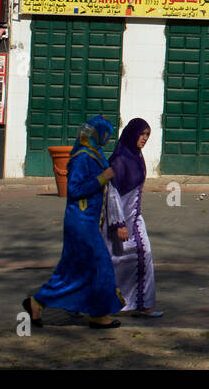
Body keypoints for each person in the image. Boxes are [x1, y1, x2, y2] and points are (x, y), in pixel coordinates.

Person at [23, 116, 124, 329]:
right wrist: (102, 178)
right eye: (106, 133)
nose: (108, 138)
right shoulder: (82, 156)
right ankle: (98, 313)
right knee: (101, 264)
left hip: (89, 220)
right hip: (81, 221)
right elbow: (74, 189)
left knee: (74, 267)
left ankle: (37, 302)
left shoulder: (95, 153)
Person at [105, 117, 161, 317]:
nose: (144, 138)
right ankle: (102, 304)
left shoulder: (137, 157)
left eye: (147, 135)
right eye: (142, 134)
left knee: (143, 255)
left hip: (135, 218)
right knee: (112, 261)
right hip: (118, 221)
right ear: (131, 134)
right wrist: (119, 223)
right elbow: (112, 194)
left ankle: (144, 304)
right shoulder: (119, 160)